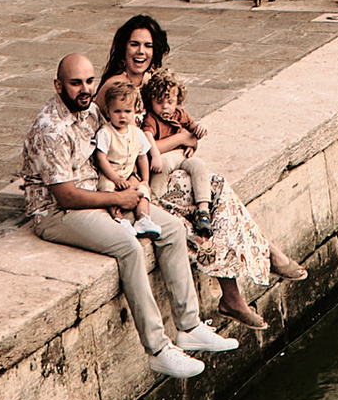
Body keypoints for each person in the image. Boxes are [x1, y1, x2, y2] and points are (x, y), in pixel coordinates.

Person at [18, 52, 232, 381]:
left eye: (89, 81)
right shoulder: (50, 130)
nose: (85, 89)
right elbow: (66, 196)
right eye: (76, 83)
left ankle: (189, 327)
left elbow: (116, 152)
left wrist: (129, 186)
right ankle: (158, 350)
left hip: (100, 193)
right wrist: (116, 197)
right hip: (58, 212)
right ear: (58, 85)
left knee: (172, 228)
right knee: (128, 246)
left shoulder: (90, 112)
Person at [141, 62, 309, 336]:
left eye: (148, 48)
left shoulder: (165, 98)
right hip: (154, 179)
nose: (142, 53)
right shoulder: (129, 98)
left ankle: (240, 286)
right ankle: (254, 270)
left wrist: (189, 138)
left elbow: (193, 139)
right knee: (206, 214)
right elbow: (148, 147)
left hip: (178, 170)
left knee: (215, 195)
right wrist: (182, 139)